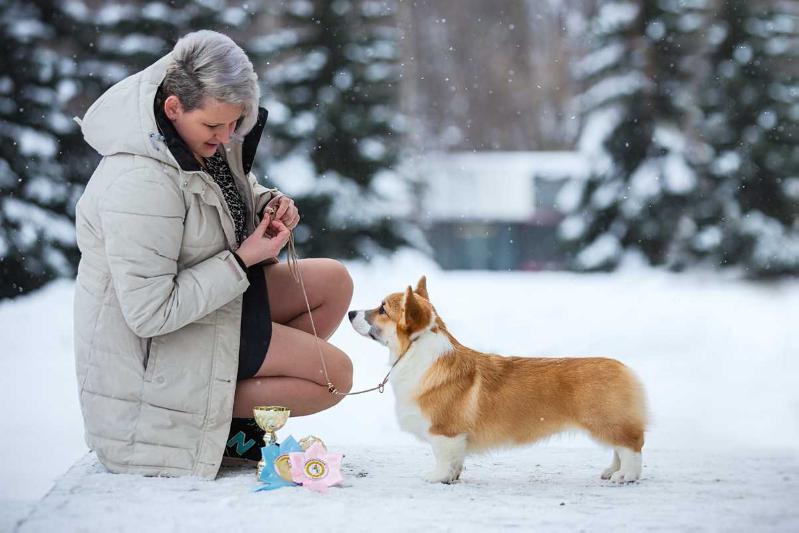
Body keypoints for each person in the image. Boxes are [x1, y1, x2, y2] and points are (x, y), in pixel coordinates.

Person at [72, 30, 354, 479]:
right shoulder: (139, 181)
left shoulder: (195, 140)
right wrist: (242, 259)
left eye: (233, 125)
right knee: (333, 375)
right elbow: (149, 313)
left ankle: (237, 419)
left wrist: (267, 205)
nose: (225, 137)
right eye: (214, 126)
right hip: (159, 358)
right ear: (173, 107)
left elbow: (221, 196)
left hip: (208, 310)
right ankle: (210, 421)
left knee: (332, 282)